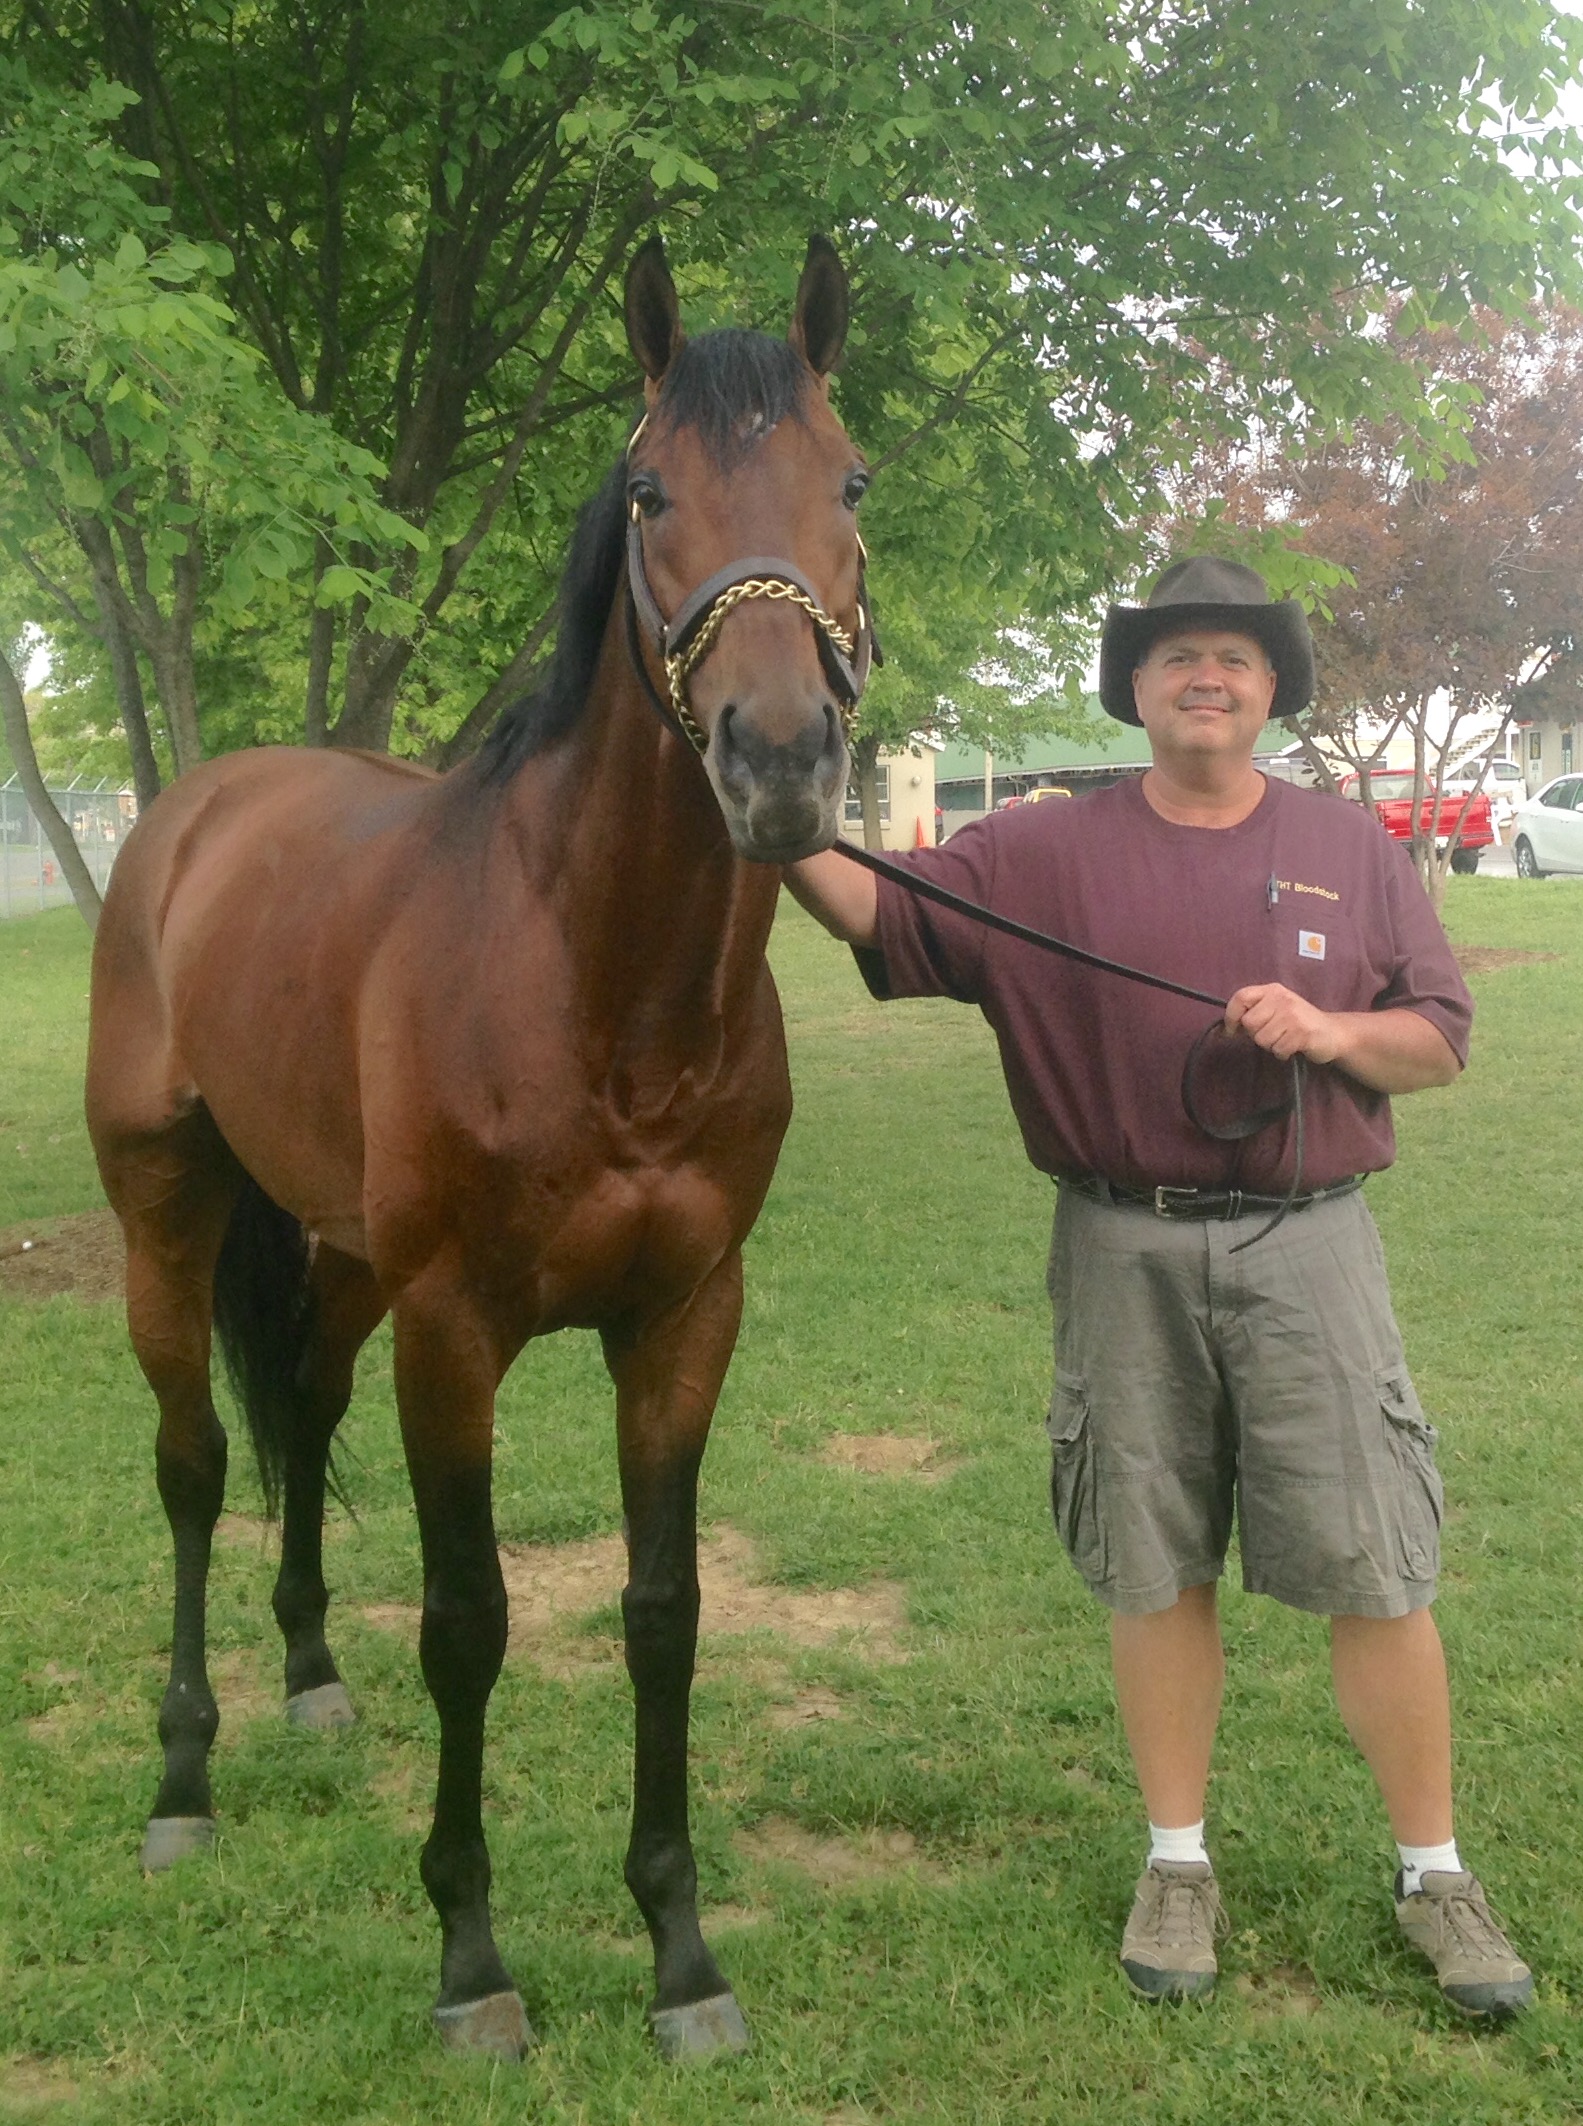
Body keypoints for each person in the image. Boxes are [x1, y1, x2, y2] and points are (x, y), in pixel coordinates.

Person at [784, 556, 1531, 2017]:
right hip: (1117, 1239)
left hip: (1312, 1242)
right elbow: (878, 915)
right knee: (1154, 1557)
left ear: (1271, 691)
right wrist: (765, 818)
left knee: (1377, 1563)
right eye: (1178, 654)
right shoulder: (1044, 849)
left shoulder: (1352, 844)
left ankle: (1436, 1872)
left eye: (1236, 659)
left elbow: (1439, 1038)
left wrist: (1324, 1027)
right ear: (1134, 688)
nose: (1208, 675)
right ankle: (1176, 1861)